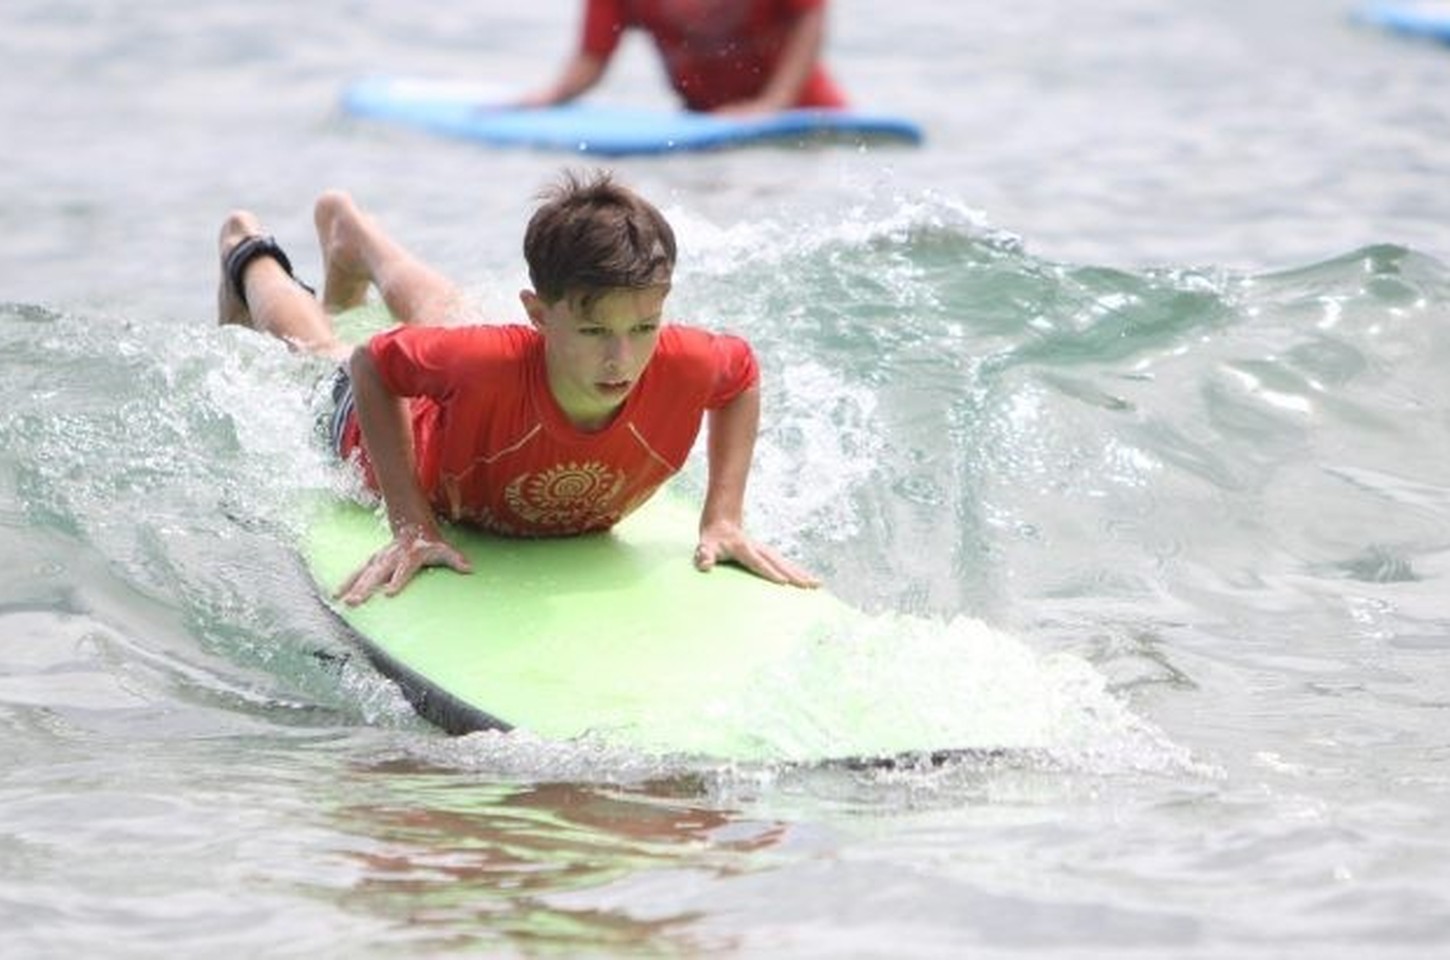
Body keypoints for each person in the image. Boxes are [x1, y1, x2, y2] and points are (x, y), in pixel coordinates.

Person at [216, 171, 820, 606]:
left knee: (449, 318)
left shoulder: (684, 360)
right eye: (592, 330)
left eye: (644, 327)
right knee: (322, 352)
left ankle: (354, 236)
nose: (622, 358)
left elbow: (740, 375)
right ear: (537, 312)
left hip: (475, 384)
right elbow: (372, 364)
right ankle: (247, 253)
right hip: (384, 425)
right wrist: (412, 525)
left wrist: (724, 518)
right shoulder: (490, 362)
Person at [524, 0, 847, 115]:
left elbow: (810, 15)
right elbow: (592, 59)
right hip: (703, 120)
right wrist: (550, 97)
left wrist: (774, 102)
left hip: (804, 115)